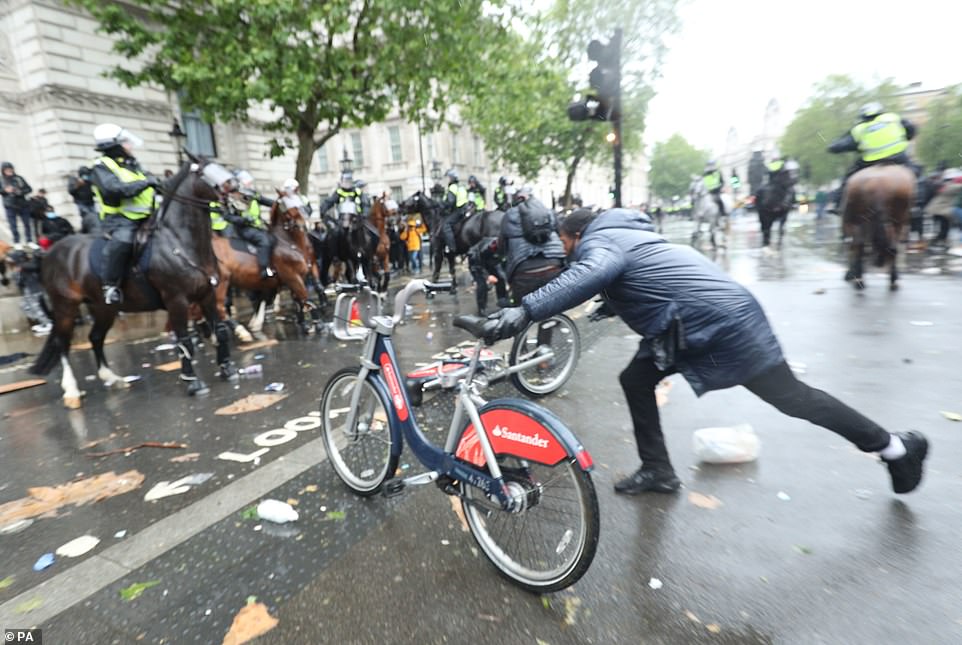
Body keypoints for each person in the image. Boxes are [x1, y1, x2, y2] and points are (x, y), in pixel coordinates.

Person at [482, 208, 929, 496]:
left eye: (566, 243)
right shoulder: (626, 234)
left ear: (577, 234)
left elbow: (593, 271)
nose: (566, 252)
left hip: (715, 324)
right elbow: (646, 277)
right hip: (705, 318)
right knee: (636, 379)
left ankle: (895, 447)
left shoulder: (601, 241)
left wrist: (524, 312)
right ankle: (657, 470)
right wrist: (613, 305)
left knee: (793, 399)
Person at [89, 123, 162, 305]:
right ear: (114, 146)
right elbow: (114, 189)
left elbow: (150, 185)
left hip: (147, 216)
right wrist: (146, 183)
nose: (130, 146)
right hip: (119, 219)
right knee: (123, 241)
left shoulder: (132, 165)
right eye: (126, 142)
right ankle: (110, 285)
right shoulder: (101, 167)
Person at [828, 101, 918, 205]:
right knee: (917, 174)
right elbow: (911, 130)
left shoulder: (859, 128)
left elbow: (840, 145)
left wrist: (834, 147)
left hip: (870, 162)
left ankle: (838, 204)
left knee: (848, 180)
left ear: (863, 116)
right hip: (898, 158)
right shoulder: (893, 118)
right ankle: (918, 203)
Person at [498, 186, 566, 301]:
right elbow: (561, 234)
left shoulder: (509, 215)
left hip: (523, 272)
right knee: (557, 305)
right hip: (555, 265)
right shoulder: (548, 211)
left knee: (524, 308)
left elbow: (502, 246)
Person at [223, 180, 275, 280]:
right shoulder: (231, 200)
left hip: (258, 226)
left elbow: (267, 202)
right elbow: (227, 216)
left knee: (275, 239)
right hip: (244, 228)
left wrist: (279, 203)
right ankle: (263, 269)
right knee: (264, 241)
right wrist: (243, 220)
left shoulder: (252, 195)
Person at [6, 246, 52, 336]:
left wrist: (17, 271)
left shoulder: (24, 266)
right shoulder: (24, 266)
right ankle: (45, 322)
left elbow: (21, 279)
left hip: (33, 290)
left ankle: (47, 324)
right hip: (31, 290)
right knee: (25, 306)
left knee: (35, 308)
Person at [2, 161, 33, 244]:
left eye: (10, 169)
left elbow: (29, 189)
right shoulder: (1, 180)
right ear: (3, 171)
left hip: (22, 204)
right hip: (10, 206)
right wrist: (5, 190)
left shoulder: (19, 178)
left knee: (27, 224)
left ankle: (29, 240)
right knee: (13, 225)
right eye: (6, 169)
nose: (8, 171)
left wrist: (20, 192)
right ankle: (17, 242)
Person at [440, 169, 468, 253]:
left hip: (458, 210)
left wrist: (442, 206)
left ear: (452, 178)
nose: (447, 179)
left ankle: (451, 247)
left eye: (448, 177)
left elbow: (451, 202)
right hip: (465, 209)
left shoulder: (452, 187)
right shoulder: (461, 186)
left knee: (446, 225)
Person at [68, 166, 100, 233]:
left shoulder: (88, 180)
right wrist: (78, 185)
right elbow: (71, 191)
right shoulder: (74, 180)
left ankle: (96, 230)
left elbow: (92, 190)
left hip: (90, 202)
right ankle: (87, 231)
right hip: (81, 203)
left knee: (95, 217)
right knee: (86, 217)